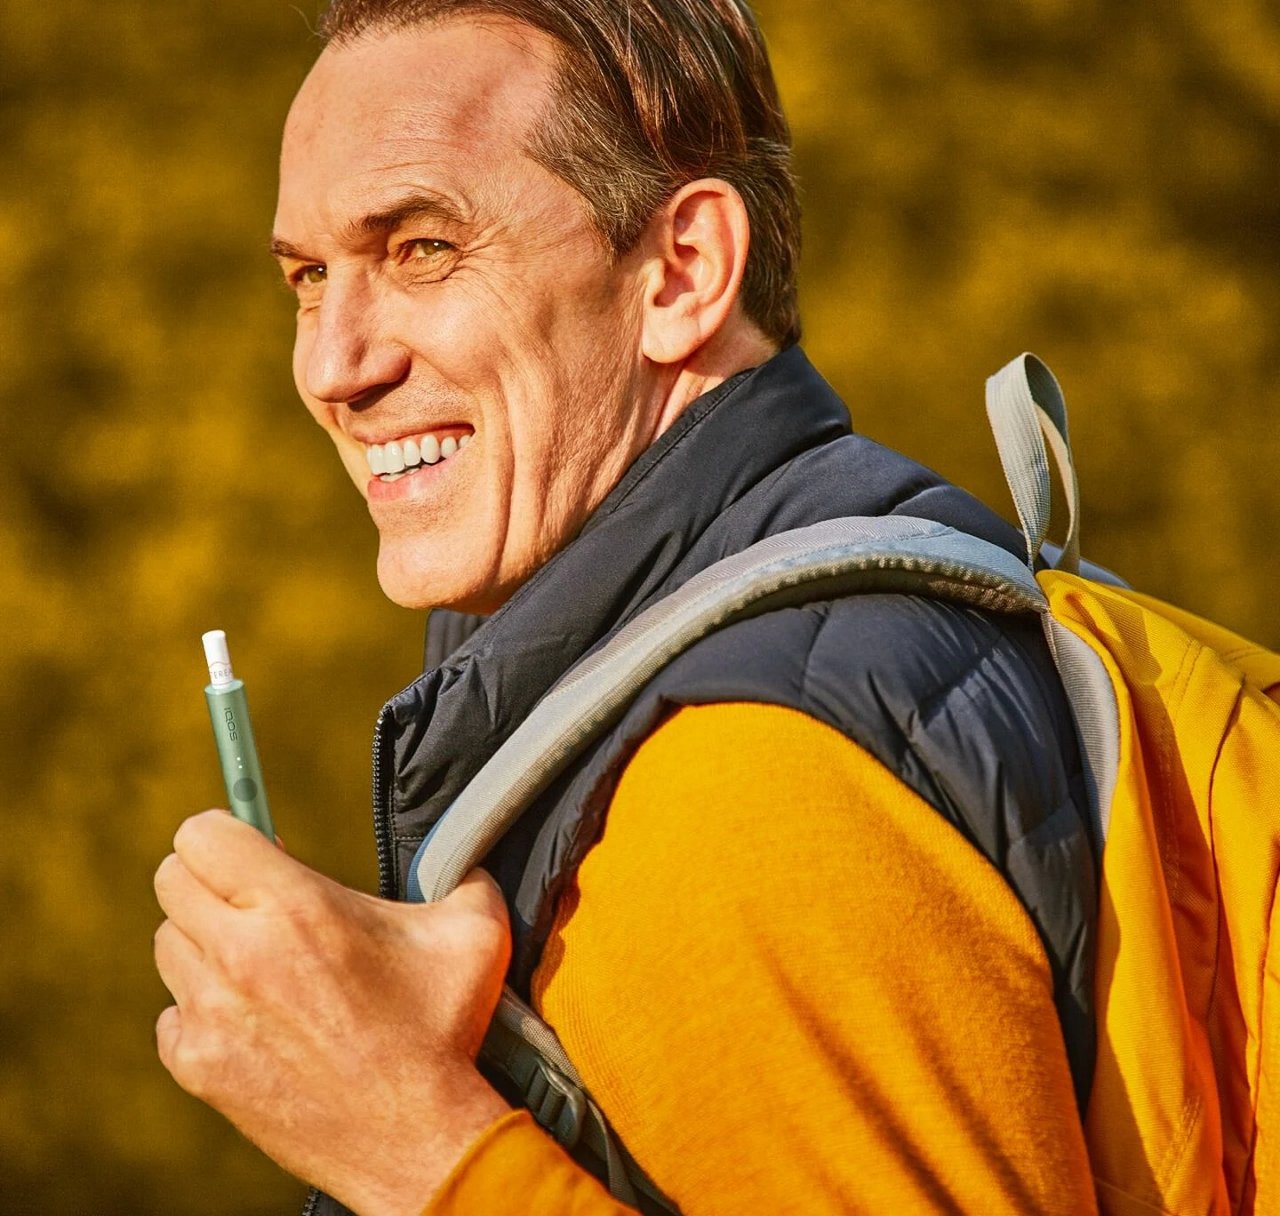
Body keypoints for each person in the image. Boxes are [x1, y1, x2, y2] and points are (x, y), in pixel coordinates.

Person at [152, 2, 1100, 1213]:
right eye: (307, 276)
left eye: (421, 248)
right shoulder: (807, 617)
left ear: (683, 272)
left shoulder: (746, 781)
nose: (333, 367)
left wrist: (409, 1142)